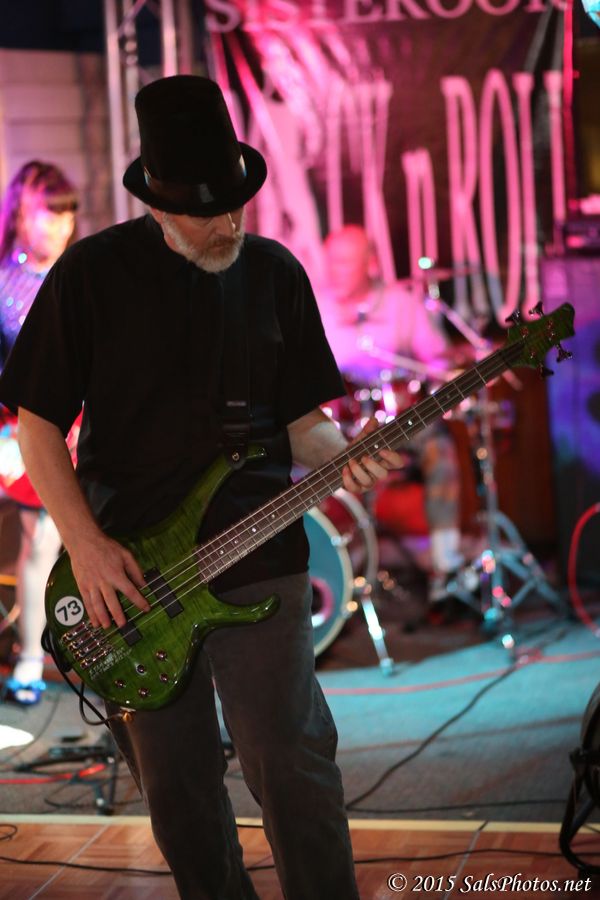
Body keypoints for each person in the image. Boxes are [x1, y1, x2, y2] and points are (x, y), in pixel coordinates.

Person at [0, 76, 404, 899]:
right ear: (155, 201)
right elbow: (36, 427)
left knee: (290, 763)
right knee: (178, 791)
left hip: (260, 552)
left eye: (235, 205)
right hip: (133, 573)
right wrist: (86, 544)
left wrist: (344, 455)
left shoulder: (274, 272)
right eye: (204, 213)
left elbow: (305, 424)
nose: (227, 225)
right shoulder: (90, 275)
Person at [318, 225, 465, 593]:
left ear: (370, 263)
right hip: (340, 428)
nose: (335, 271)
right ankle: (327, 574)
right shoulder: (314, 305)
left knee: (440, 448)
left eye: (345, 262)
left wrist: (442, 367)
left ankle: (446, 567)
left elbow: (438, 359)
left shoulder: (401, 303)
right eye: (331, 261)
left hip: (398, 423)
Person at [0, 160, 78, 704]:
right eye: (47, 214)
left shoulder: (82, 274)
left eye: (66, 215)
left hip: (83, 429)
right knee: (40, 540)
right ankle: (29, 658)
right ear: (22, 215)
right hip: (22, 431)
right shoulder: (4, 280)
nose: (58, 226)